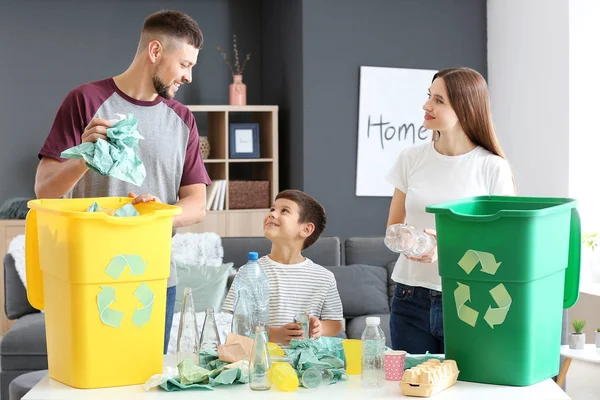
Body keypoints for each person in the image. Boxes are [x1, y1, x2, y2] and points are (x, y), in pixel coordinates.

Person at [34, 10, 211, 354]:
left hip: (155, 277)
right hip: (87, 276)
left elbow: (197, 204)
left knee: (147, 381)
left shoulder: (183, 119)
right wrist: (86, 155)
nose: (189, 77)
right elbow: (44, 191)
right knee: (90, 382)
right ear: (156, 52)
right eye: (185, 65)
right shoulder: (85, 101)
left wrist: (152, 215)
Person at [385, 67, 515, 354]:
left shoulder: (492, 167)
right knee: (413, 390)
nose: (426, 105)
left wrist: (444, 250)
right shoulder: (411, 158)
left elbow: (502, 243)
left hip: (467, 298)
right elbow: (394, 226)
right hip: (409, 295)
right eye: (429, 96)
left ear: (465, 108)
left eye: (439, 100)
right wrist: (409, 240)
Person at [222, 189, 343, 345]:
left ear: (306, 229)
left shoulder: (324, 277)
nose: (272, 214)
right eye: (272, 209)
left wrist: (319, 328)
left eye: (284, 211)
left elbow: (335, 324)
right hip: (261, 359)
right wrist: (273, 335)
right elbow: (231, 320)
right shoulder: (250, 271)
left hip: (306, 361)